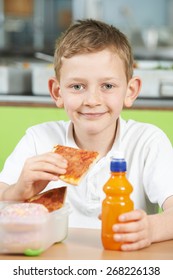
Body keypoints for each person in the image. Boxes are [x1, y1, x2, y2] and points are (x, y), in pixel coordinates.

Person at [0, 19, 173, 251]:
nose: (92, 101)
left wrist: (151, 228)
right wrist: (18, 190)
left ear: (130, 91)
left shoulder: (147, 142)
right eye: (77, 87)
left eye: (108, 86)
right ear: (57, 92)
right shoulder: (38, 139)